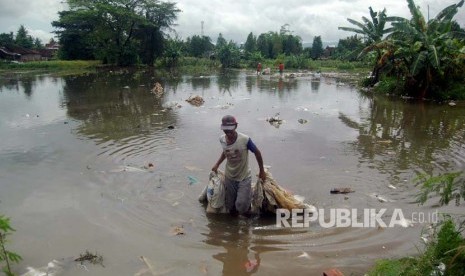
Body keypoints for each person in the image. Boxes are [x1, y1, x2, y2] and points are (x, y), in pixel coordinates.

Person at [212, 115, 266, 215]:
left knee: (241, 205)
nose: (228, 133)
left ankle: (247, 203)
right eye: (225, 130)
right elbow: (225, 152)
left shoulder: (245, 140)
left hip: (244, 176)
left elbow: (257, 152)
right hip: (230, 176)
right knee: (230, 207)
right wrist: (217, 164)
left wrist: (261, 170)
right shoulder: (222, 139)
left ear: (236, 126)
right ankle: (234, 228)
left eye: (230, 130)